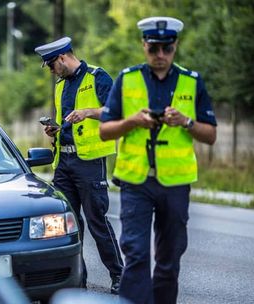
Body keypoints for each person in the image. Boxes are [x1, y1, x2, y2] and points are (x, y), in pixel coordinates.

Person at [99, 17, 217, 304]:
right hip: (135, 182)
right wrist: (133, 122)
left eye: (167, 48)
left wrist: (186, 121)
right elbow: (105, 131)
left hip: (175, 184)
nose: (160, 55)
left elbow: (211, 135)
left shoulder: (192, 81)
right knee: (136, 254)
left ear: (175, 47)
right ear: (144, 46)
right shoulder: (127, 79)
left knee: (169, 258)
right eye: (154, 49)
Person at [34, 37, 123, 294]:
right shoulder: (61, 86)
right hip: (64, 163)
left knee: (97, 222)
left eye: (51, 66)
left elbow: (116, 113)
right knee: (68, 224)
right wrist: (54, 130)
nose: (51, 71)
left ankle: (119, 276)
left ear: (62, 58)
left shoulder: (98, 77)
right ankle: (76, 281)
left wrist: (88, 112)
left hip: (89, 163)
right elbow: (65, 123)